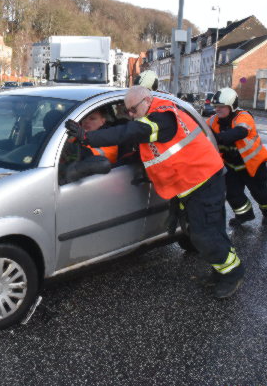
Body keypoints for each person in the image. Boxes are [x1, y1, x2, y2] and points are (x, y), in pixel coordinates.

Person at [65, 84, 245, 299]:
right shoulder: (152, 115)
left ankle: (232, 274)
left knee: (203, 234)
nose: (130, 115)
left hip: (201, 181)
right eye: (127, 111)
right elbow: (147, 150)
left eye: (133, 110)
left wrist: (87, 137)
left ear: (147, 101)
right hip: (191, 183)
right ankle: (222, 270)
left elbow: (131, 132)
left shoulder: (163, 116)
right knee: (210, 231)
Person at [207, 87, 267, 226]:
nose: (217, 109)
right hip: (231, 165)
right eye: (216, 107)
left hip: (253, 164)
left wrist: (217, 137)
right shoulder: (213, 120)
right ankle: (245, 215)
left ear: (232, 106)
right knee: (232, 194)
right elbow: (200, 129)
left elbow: (239, 132)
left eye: (221, 106)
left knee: (260, 193)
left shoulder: (243, 116)